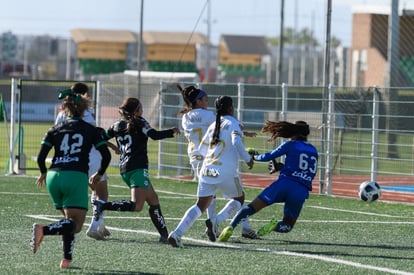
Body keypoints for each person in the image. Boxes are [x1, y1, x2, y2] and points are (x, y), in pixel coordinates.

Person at [31, 89, 111, 268]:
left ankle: (66, 260)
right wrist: (98, 174)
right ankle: (43, 230)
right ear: (84, 110)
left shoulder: (55, 128)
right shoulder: (90, 129)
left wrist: (43, 172)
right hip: (74, 176)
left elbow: (40, 157)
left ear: (65, 108)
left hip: (53, 177)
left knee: (68, 222)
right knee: (75, 225)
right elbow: (105, 155)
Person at [168, 95, 254, 248]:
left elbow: (201, 148)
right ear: (230, 108)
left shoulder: (214, 125)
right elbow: (236, 141)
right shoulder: (233, 123)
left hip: (207, 169)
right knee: (239, 200)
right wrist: (248, 159)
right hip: (225, 170)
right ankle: (216, 221)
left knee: (200, 205)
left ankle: (176, 233)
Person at [92, 97, 180, 243]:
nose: (143, 110)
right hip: (137, 168)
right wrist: (171, 131)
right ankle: (103, 205)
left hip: (125, 169)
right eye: (140, 107)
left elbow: (100, 136)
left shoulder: (117, 125)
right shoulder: (140, 122)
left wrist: (112, 146)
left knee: (153, 199)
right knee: (137, 206)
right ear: (136, 110)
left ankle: (164, 235)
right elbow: (154, 136)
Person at [218, 120, 318, 242]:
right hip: (301, 190)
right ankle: (275, 226)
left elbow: (269, 156)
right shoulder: (314, 150)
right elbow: (307, 171)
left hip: (284, 184)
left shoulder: (290, 144)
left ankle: (230, 227)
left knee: (251, 208)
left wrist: (254, 156)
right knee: (288, 225)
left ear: (293, 131)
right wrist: (282, 167)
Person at [55, 82, 116, 240]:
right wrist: (110, 145)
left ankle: (100, 223)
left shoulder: (61, 114)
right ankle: (95, 225)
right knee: (102, 192)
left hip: (70, 160)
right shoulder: (87, 112)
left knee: (93, 191)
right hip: (91, 157)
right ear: (84, 95)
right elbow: (96, 133)